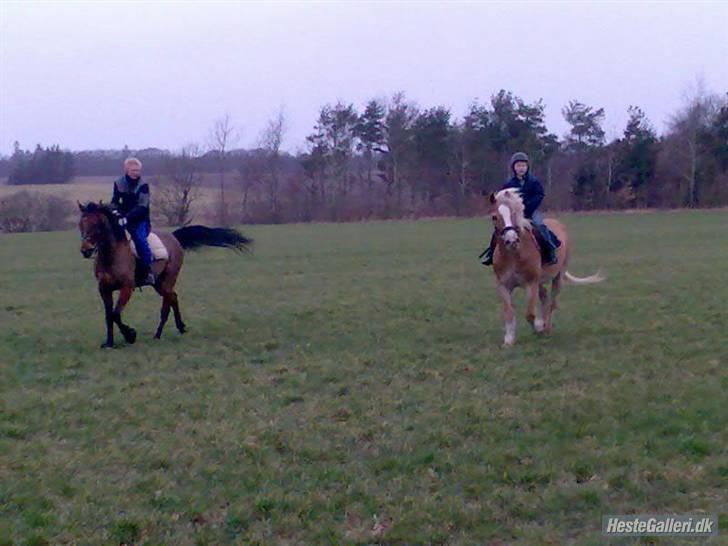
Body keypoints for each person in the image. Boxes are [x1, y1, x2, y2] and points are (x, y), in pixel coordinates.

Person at [480, 152, 558, 266]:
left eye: (523, 165)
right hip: (514, 213)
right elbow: (503, 199)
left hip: (530, 211)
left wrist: (528, 207)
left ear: (527, 167)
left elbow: (539, 195)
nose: (521, 168)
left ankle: (550, 251)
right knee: (498, 230)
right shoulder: (509, 183)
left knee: (540, 226)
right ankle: (491, 254)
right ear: (514, 168)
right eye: (518, 166)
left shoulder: (533, 181)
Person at [111, 157, 155, 285]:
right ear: (126, 170)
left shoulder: (143, 185)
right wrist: (115, 212)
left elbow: (142, 206)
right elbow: (115, 201)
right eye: (133, 170)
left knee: (140, 240)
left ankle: (148, 271)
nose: (136, 172)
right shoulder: (118, 183)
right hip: (122, 219)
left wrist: (127, 218)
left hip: (139, 220)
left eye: (138, 170)